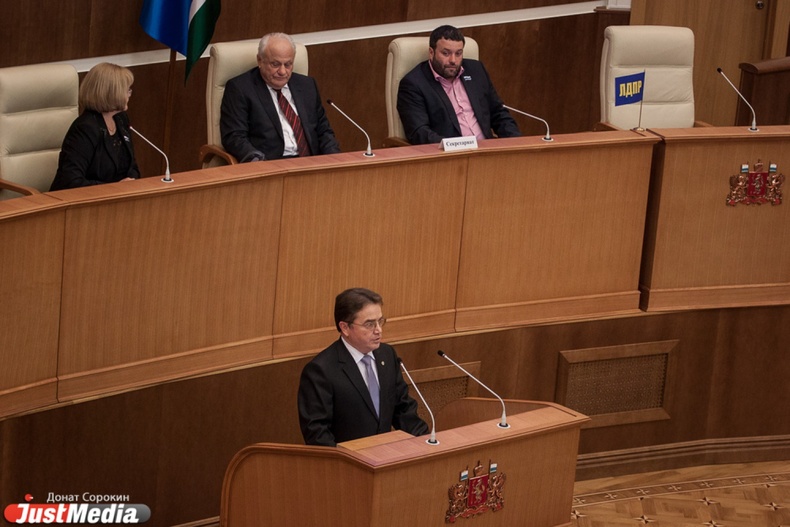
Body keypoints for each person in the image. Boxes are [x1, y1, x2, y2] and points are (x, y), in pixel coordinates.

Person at [298, 288, 429, 447]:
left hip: (385, 456)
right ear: (345, 328)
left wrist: (426, 443)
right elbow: (317, 433)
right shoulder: (321, 370)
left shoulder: (387, 355)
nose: (378, 330)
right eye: (369, 324)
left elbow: (403, 410)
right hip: (348, 460)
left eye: (380, 321)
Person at [220, 32, 340, 162]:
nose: (282, 72)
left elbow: (324, 131)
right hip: (270, 164)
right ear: (260, 60)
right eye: (275, 64)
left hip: (310, 163)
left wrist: (335, 160)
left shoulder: (307, 85)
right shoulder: (240, 89)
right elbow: (235, 137)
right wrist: (257, 161)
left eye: (288, 64)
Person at [397, 25, 521, 145]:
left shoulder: (476, 70)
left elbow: (498, 113)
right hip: (451, 154)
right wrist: (456, 146)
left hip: (486, 150)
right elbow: (419, 132)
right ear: (431, 52)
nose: (453, 60)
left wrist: (517, 143)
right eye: (446, 53)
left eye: (458, 53)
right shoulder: (414, 84)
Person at [50, 63, 139, 191]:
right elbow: (71, 181)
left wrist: (131, 183)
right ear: (112, 93)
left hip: (116, 197)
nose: (129, 94)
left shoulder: (120, 119)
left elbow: (132, 167)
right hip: (80, 200)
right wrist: (113, 188)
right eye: (127, 90)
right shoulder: (85, 128)